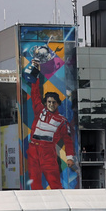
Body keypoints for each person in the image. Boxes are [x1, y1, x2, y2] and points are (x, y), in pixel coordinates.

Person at [25, 54, 75, 189]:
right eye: (49, 102)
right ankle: (37, 209)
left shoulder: (62, 120)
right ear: (45, 103)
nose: (51, 104)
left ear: (58, 104)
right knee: (35, 183)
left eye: (53, 102)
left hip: (48, 152)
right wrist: (35, 73)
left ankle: (61, 208)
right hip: (33, 149)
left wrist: (70, 157)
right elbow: (35, 93)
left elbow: (68, 140)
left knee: (55, 183)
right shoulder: (39, 110)